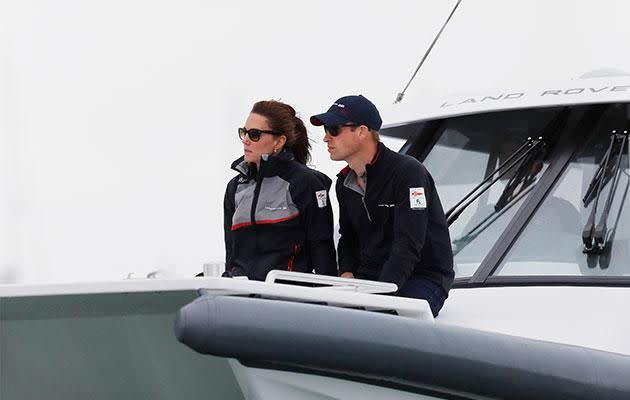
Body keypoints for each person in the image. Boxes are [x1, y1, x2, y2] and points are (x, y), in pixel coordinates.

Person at [310, 95, 454, 316]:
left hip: (422, 277)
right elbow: (348, 238)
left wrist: (379, 298)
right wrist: (346, 274)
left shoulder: (408, 173)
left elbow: (408, 245)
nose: (326, 138)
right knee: (323, 316)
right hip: (370, 278)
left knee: (384, 320)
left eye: (333, 129)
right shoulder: (343, 183)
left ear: (362, 131)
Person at [223, 100, 337, 280]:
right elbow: (231, 254)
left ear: (279, 141)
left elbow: (323, 253)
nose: (245, 140)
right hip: (242, 296)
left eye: (254, 134)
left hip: (288, 298)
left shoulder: (306, 183)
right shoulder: (235, 187)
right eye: (244, 132)